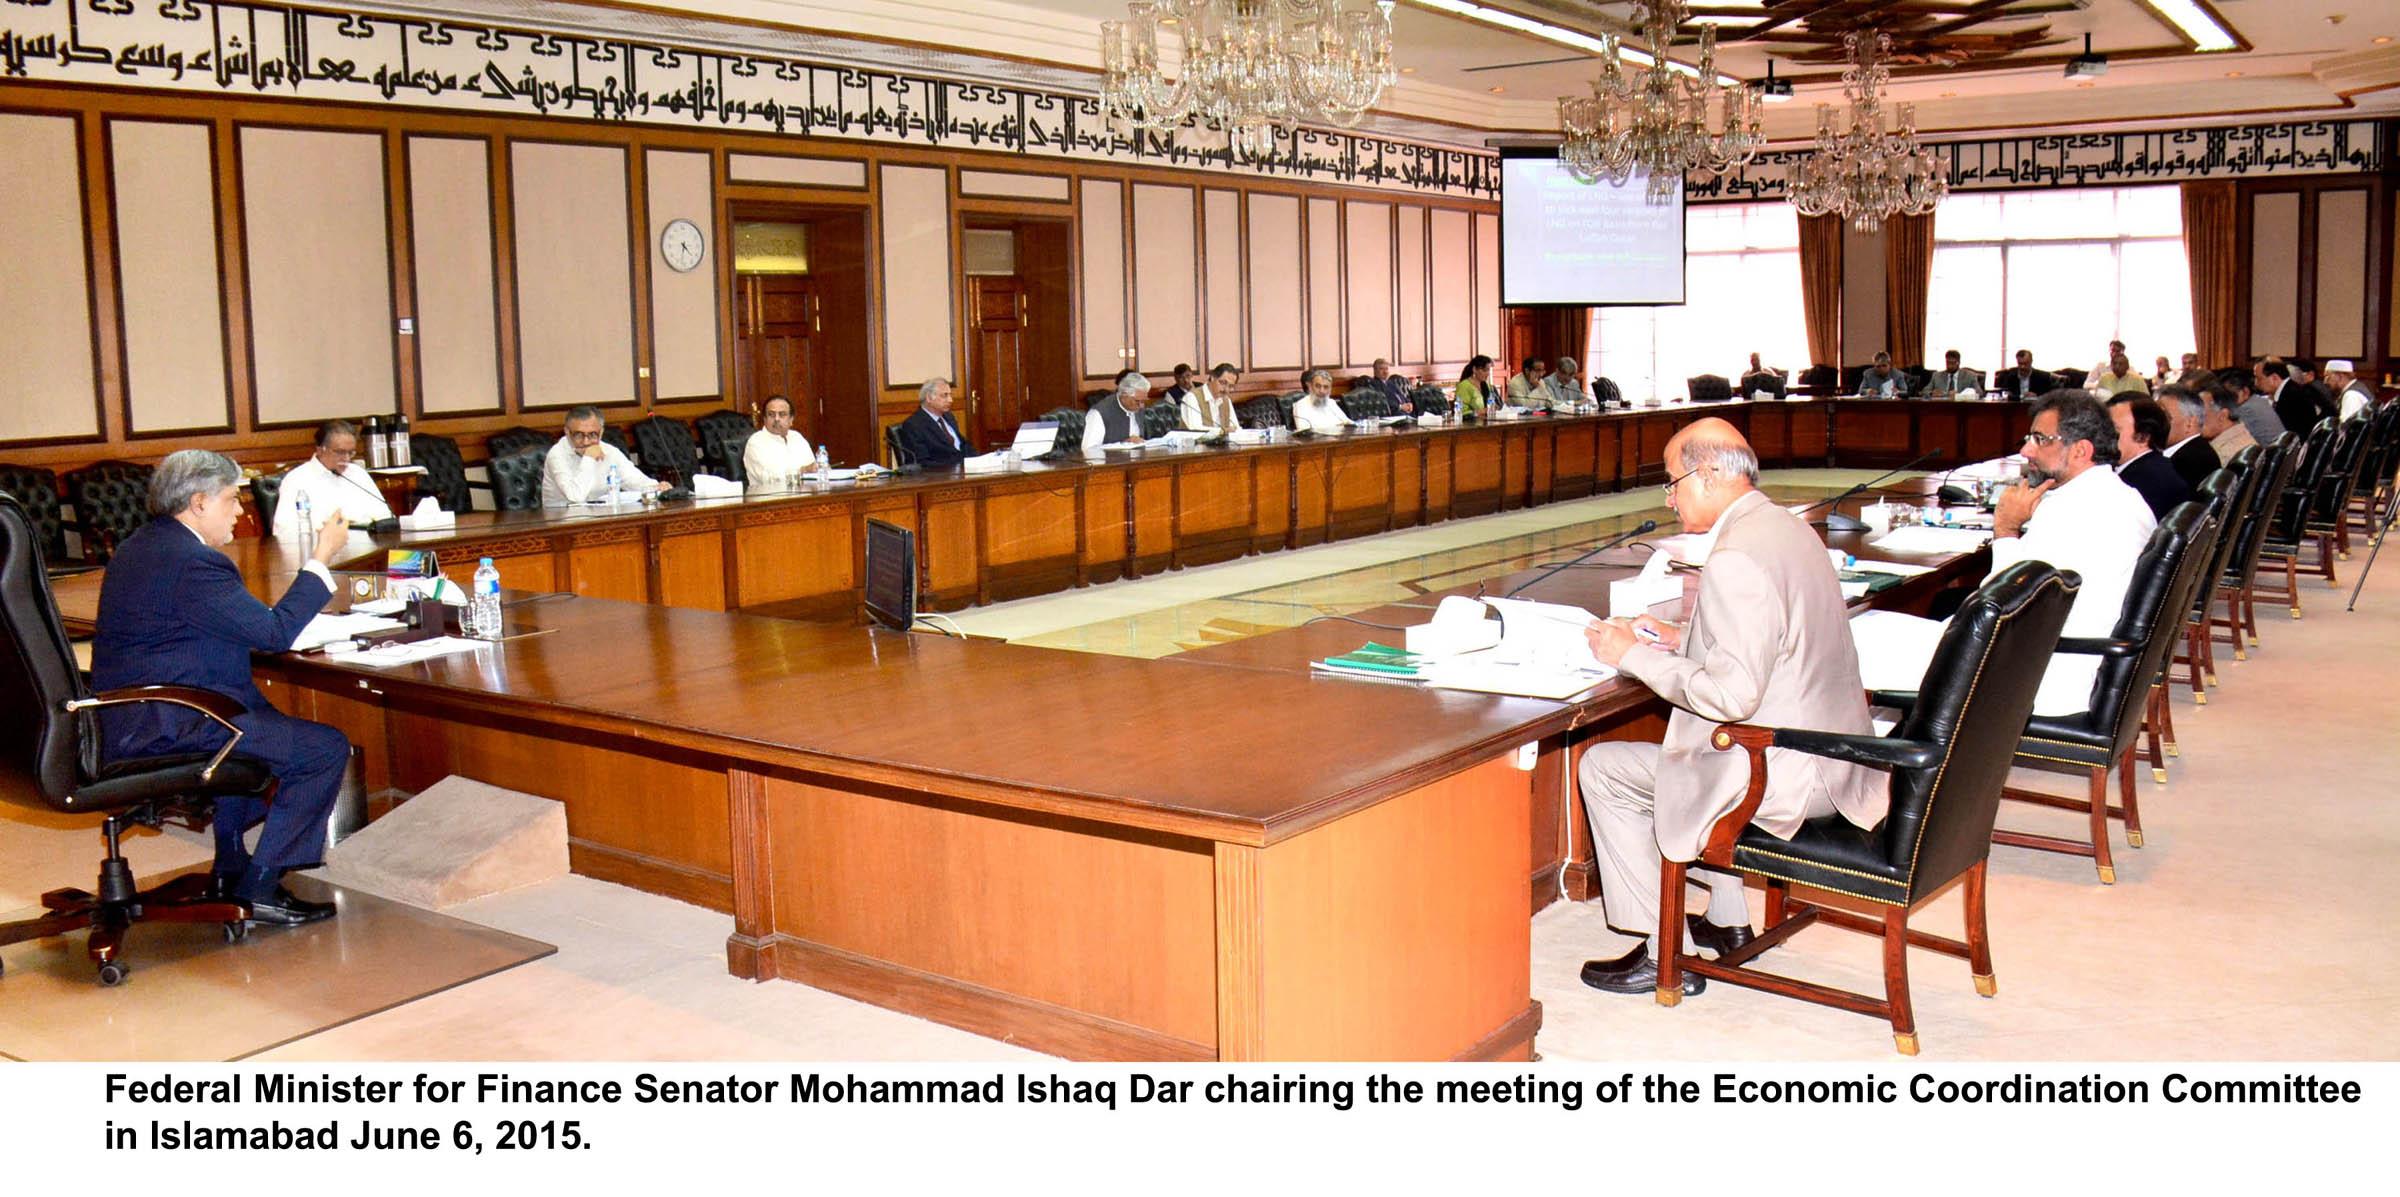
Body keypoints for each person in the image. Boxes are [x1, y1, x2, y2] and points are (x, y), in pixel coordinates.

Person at [1575, 418, 1885, 996]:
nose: (1669, 498)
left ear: (1710, 474)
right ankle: (1727, 917)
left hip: (1785, 773)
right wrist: (1678, 635)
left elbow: (1732, 697)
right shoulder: (1787, 528)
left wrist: (1630, 657)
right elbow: (1771, 634)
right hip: (1838, 756)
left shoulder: (1735, 556)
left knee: (1605, 768)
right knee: (1690, 760)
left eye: (1673, 482)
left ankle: (1660, 948)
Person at [90, 450, 351, 926]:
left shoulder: (141, 546)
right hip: (173, 723)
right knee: (323, 748)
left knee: (263, 729)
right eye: (232, 500)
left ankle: (231, 870)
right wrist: (321, 557)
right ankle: (262, 887)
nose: (241, 512)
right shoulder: (194, 563)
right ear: (198, 503)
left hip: (138, 712)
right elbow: (273, 635)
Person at [1858, 392, 2156, 719]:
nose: (2025, 450)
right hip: (2065, 655)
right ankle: (1893, 736)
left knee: (1853, 633)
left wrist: (2006, 527)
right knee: (1875, 630)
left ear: (2081, 450)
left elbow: (2002, 604)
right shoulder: (2124, 496)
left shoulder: (2074, 510)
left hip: (2041, 672)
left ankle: (1867, 749)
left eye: (2040, 440)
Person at [271, 419, 391, 538]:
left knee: (407, 556)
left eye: (351, 453)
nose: (347, 459)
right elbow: (284, 530)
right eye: (340, 452)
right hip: (323, 550)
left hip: (367, 547)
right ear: (320, 449)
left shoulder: (357, 473)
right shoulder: (297, 480)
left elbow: (385, 516)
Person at [543, 406, 665, 505]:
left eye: (592, 435)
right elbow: (576, 496)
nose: (586, 441)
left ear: (601, 432)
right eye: (578, 435)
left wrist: (657, 487)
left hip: (599, 517)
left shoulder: (610, 451)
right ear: (567, 432)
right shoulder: (557, 455)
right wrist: (589, 458)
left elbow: (634, 480)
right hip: (561, 521)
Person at [2108, 395, 2193, 518]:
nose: (2104, 435)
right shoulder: (2153, 467)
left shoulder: (2143, 484)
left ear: (2143, 437)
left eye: (2115, 429)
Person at [896, 377, 974, 469]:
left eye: (950, 395)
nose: (950, 400)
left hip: (964, 471)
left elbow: (963, 445)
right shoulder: (913, 425)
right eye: (944, 395)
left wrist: (979, 460)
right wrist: (959, 465)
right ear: (929, 398)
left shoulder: (949, 417)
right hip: (941, 476)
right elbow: (922, 462)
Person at [2154, 385, 2221, 491]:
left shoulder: (2187, 464)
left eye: (2163, 416)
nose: (2154, 422)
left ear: (2189, 423)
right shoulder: (2197, 450)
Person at [741, 394, 813, 486]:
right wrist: (802, 471)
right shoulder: (756, 442)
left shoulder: (797, 437)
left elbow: (813, 470)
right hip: (770, 498)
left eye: (782, 414)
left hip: (803, 496)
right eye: (771, 415)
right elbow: (771, 479)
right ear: (764, 419)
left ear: (791, 419)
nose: (777, 419)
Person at [1083, 369, 1152, 452]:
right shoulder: (1099, 413)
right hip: (1111, 463)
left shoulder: (1138, 408)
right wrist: (1123, 444)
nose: (1141, 406)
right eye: (1137, 401)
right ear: (1124, 396)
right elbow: (1088, 450)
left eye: (1144, 401)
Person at [2219, 364, 2287, 445]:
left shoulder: (2247, 410)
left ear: (2245, 391)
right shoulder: (2260, 401)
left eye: (2230, 395)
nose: (2226, 401)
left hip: (2269, 454)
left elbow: (2229, 438)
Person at [2261, 359, 2327, 435]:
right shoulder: (2292, 389)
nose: (2257, 384)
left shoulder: (2291, 395)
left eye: (2260, 379)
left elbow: (2288, 432)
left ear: (2275, 378)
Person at [2200, 379, 2259, 462]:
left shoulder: (2222, 455)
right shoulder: (2243, 436)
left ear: (2222, 416)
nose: (2194, 420)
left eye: (2200, 414)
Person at [1181, 363, 1244, 434]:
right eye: (1223, 383)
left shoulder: (1226, 400)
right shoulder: (1191, 397)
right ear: (1212, 378)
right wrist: (1222, 431)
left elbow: (1235, 428)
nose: (1226, 389)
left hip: (1221, 444)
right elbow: (1195, 430)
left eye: (1231, 386)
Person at [1290, 369, 1352, 434]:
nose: (1322, 391)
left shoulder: (1331, 403)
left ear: (1330, 389)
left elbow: (1348, 422)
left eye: (1326, 387)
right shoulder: (1300, 405)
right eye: (1318, 386)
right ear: (1310, 386)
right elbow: (1305, 432)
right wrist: (1336, 428)